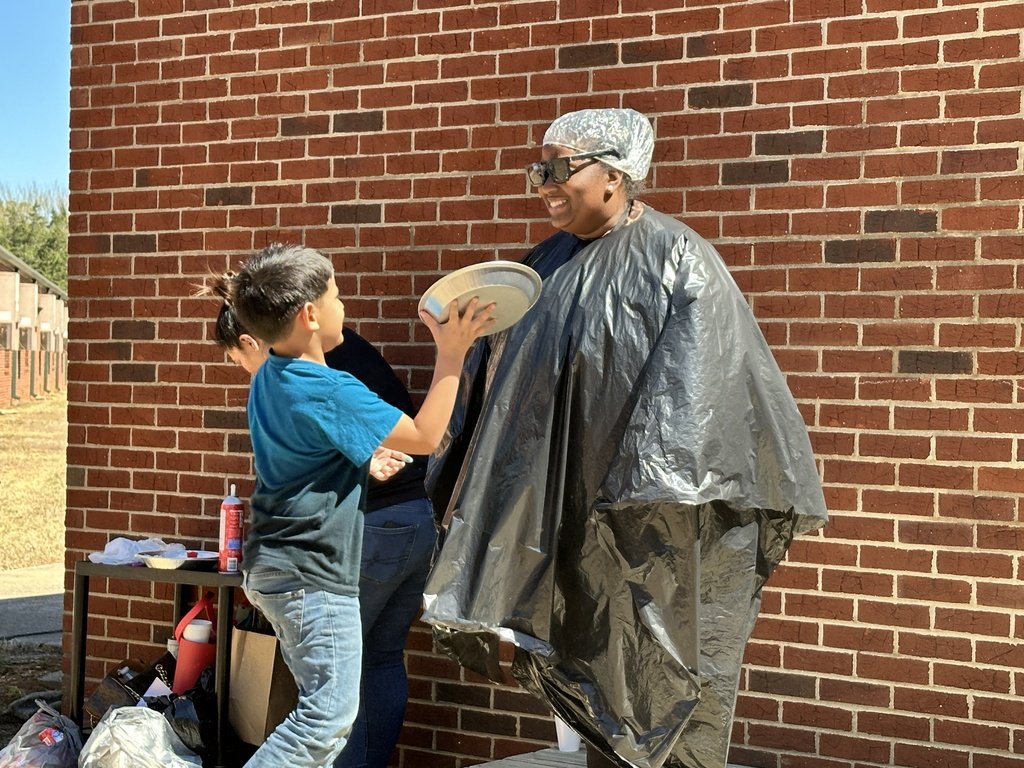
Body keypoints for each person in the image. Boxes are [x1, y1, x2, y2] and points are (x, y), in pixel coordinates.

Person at [422, 109, 828, 768]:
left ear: (616, 171)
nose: (543, 184)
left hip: (663, 527)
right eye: (538, 170)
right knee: (591, 672)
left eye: (558, 169)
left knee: (673, 674)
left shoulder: (679, 259)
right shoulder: (542, 268)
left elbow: (704, 401)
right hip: (571, 523)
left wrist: (638, 506)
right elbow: (502, 399)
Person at [202, 243, 494, 768]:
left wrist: (362, 464)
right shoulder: (330, 386)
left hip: (276, 567)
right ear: (310, 314)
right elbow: (426, 436)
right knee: (324, 719)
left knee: (330, 723)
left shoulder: (270, 376)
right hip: (314, 574)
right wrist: (453, 351)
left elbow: (305, 455)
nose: (345, 307)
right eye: (336, 295)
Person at [208, 303, 437, 768]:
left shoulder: (294, 375)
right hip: (416, 519)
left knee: (322, 708)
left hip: (353, 535)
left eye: (239, 360)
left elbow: (420, 434)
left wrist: (451, 353)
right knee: (373, 667)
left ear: (254, 339)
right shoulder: (332, 357)